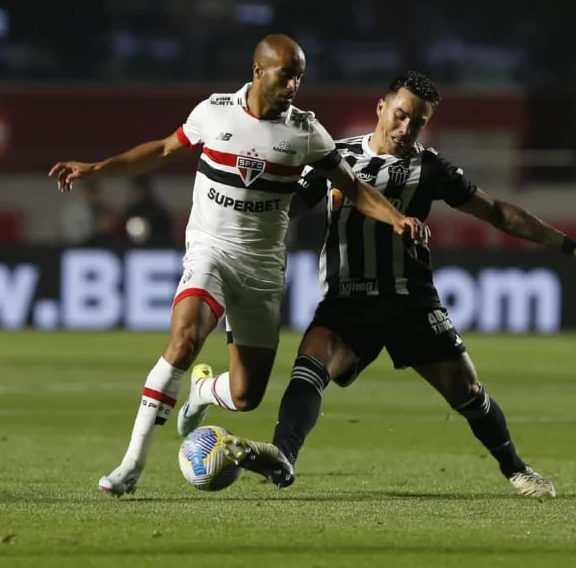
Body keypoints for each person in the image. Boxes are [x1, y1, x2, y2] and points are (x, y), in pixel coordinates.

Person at [48, 34, 426, 497]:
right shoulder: (214, 112)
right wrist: (96, 168)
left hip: (263, 269)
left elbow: (353, 186)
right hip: (210, 250)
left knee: (246, 397)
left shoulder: (306, 132)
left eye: (299, 77)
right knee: (185, 340)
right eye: (286, 75)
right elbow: (165, 149)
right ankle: (131, 465)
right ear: (258, 71)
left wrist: (396, 217)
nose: (294, 85)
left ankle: (205, 392)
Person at [235, 70, 576, 497]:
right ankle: (283, 457)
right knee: (308, 370)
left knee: (468, 393)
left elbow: (496, 212)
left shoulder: (431, 167)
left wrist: (570, 246)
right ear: (381, 108)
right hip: (347, 302)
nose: (406, 129)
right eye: (401, 115)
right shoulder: (335, 158)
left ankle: (515, 468)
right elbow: (286, 209)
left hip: (412, 303)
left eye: (417, 122)